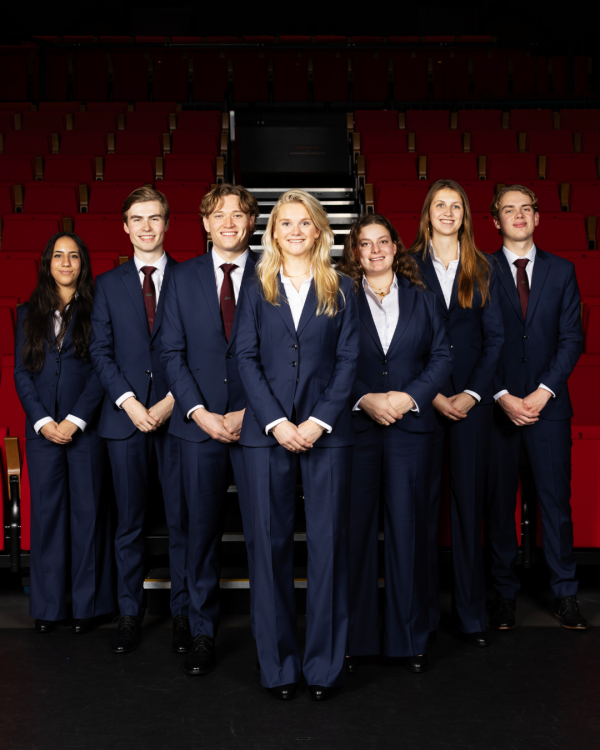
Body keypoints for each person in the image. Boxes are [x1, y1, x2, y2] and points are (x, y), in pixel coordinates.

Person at [235, 190, 359, 702]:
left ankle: (325, 668)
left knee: (329, 550)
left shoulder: (343, 287)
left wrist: (317, 422)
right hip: (267, 437)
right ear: (273, 232)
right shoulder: (255, 286)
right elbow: (245, 358)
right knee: (269, 551)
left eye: (304, 222)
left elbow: (349, 360)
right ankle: (279, 667)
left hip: (326, 435)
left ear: (319, 230)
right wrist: (276, 423)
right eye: (285, 223)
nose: (294, 231)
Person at [338, 214, 452, 673]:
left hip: (411, 431)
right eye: (365, 244)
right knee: (356, 537)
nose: (375, 250)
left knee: (409, 535)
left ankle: (410, 639)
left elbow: (442, 357)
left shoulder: (423, 299)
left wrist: (409, 397)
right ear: (355, 252)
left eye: (382, 242)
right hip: (358, 431)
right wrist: (364, 398)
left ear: (395, 248)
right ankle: (356, 639)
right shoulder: (340, 297)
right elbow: (329, 360)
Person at [161, 184, 260, 676]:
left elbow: (283, 352)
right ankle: (201, 630)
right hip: (197, 428)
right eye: (218, 214)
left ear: (251, 222)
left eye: (238, 214)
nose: (228, 223)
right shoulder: (181, 277)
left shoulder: (273, 271)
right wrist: (199, 412)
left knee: (264, 533)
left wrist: (249, 411)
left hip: (258, 425)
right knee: (200, 534)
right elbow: (171, 353)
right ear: (204, 223)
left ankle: (268, 633)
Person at [90, 187, 187, 654]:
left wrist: (171, 401)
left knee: (183, 522)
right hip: (124, 421)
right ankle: (129, 612)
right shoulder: (107, 285)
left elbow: (202, 349)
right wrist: (130, 403)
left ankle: (185, 613)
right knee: (128, 523)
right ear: (125, 227)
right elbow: (100, 353)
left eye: (154, 218)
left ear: (167, 224)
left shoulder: (190, 278)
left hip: (180, 416)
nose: (146, 227)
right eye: (137, 219)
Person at [486, 185, 587, 630]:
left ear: (538, 217)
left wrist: (543, 392)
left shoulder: (562, 271)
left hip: (550, 408)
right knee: (499, 505)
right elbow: (475, 342)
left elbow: (572, 339)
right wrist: (502, 395)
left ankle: (566, 594)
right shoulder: (480, 269)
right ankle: (503, 595)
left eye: (526, 208)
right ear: (496, 221)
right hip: (498, 409)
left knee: (556, 504)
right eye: (509, 209)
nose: (519, 215)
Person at [410, 180, 505, 648]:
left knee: (469, 510)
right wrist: (431, 394)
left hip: (471, 406)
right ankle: (424, 619)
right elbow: (401, 339)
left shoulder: (483, 266)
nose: (448, 212)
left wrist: (470, 393)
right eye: (440, 205)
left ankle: (471, 615)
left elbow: (495, 340)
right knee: (422, 512)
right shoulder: (407, 265)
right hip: (423, 405)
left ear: (465, 215)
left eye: (456, 206)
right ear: (427, 213)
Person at [14, 232, 112, 634]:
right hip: (42, 433)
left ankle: (89, 607)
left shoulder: (98, 309)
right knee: (48, 518)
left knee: (89, 516)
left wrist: (76, 419)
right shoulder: (27, 313)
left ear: (82, 264)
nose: (66, 262)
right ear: (48, 263)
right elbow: (22, 374)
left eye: (73, 256)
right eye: (59, 256)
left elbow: (102, 370)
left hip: (86, 430)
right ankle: (49, 608)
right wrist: (42, 421)